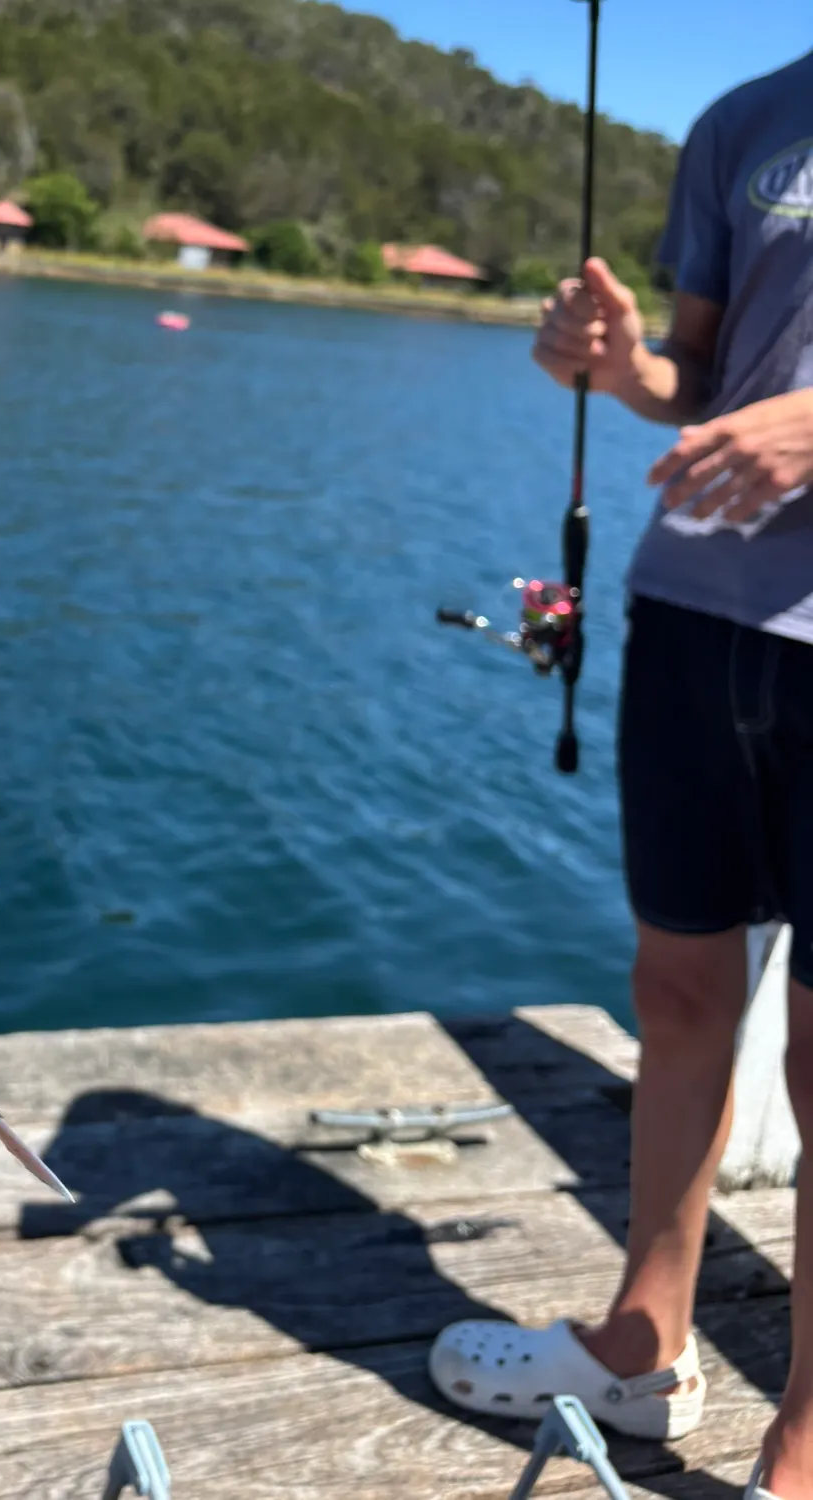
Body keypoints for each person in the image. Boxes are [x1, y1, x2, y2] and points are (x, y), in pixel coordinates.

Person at [427, 47, 813, 1500]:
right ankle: (643, 1346)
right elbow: (699, 382)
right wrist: (620, 364)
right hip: (694, 614)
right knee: (679, 989)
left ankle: (805, 1445)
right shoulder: (742, 123)